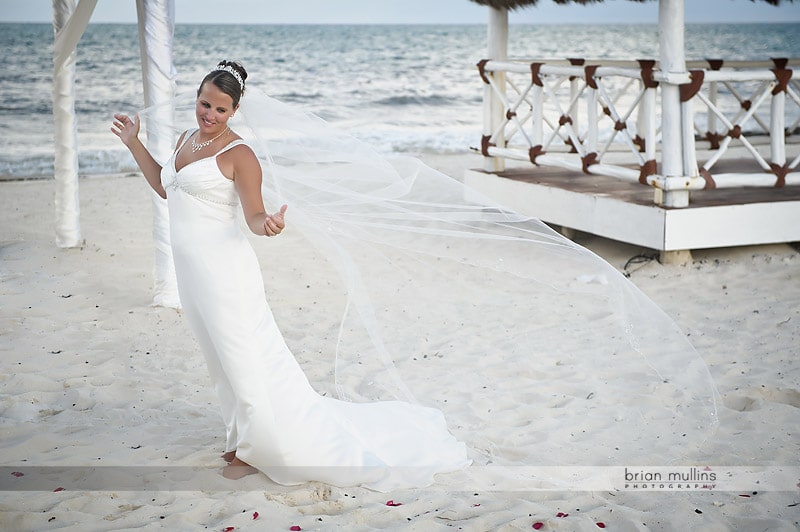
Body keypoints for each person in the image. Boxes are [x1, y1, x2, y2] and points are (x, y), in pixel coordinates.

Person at [112, 60, 469, 489]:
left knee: (242, 357)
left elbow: (254, 215)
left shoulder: (239, 154)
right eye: (205, 104)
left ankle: (255, 449)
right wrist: (134, 142)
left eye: (221, 110)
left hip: (225, 273)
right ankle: (238, 437)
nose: (209, 115)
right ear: (197, 98)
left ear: (235, 111)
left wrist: (270, 224)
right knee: (218, 359)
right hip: (192, 273)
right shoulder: (186, 139)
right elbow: (165, 186)